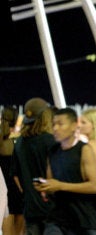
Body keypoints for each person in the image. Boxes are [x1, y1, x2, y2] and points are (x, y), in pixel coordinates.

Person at [34, 107, 96, 234]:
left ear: (74, 126)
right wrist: (46, 188)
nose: (55, 128)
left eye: (60, 124)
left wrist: (60, 186)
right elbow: (51, 182)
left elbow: (95, 186)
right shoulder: (53, 152)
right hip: (59, 219)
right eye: (53, 124)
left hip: (84, 220)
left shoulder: (84, 150)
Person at [11, 97, 56, 234]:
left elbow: (15, 175)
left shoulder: (19, 143)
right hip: (52, 209)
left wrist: (29, 193)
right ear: (45, 116)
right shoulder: (51, 141)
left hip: (30, 209)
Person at [1, 105, 25, 235]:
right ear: (17, 119)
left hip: (4, 189)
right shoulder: (21, 140)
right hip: (19, 188)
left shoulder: (2, 140)